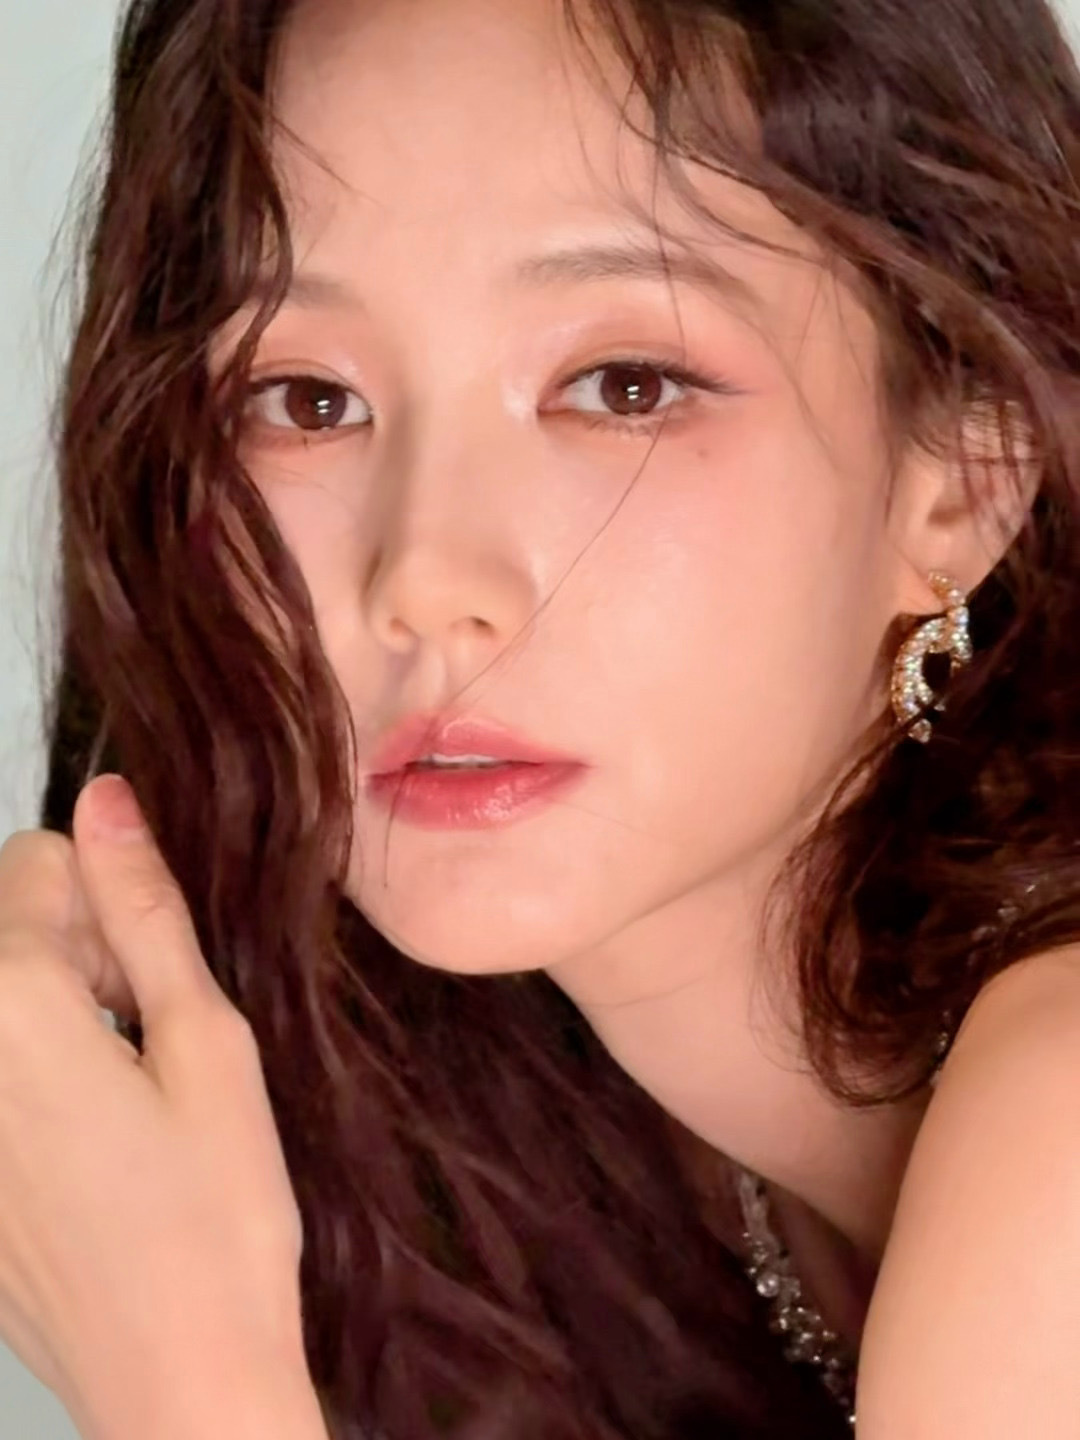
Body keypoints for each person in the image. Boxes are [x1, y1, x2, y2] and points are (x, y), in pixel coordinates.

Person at [0, 0, 1078, 1435]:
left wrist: (181, 1369)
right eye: (306, 400)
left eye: (623, 387)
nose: (425, 579)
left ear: (968, 474)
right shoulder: (527, 1171)